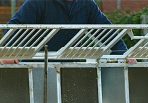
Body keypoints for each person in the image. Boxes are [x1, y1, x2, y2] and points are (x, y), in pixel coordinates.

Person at [0, 0, 133, 64]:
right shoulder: (38, 2)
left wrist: (123, 55)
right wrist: (9, 53)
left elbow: (106, 31)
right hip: (37, 66)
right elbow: (14, 27)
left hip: (70, 67)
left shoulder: (86, 4)